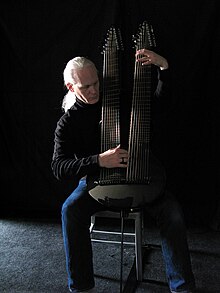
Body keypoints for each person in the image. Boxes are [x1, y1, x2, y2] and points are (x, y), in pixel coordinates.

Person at [51, 50, 196, 293]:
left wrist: (164, 68)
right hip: (97, 181)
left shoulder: (118, 98)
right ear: (70, 86)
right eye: (86, 87)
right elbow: (58, 167)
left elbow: (159, 106)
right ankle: (81, 287)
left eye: (96, 82)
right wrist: (99, 160)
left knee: (172, 212)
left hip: (141, 174)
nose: (94, 90)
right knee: (70, 209)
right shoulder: (68, 122)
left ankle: (183, 288)